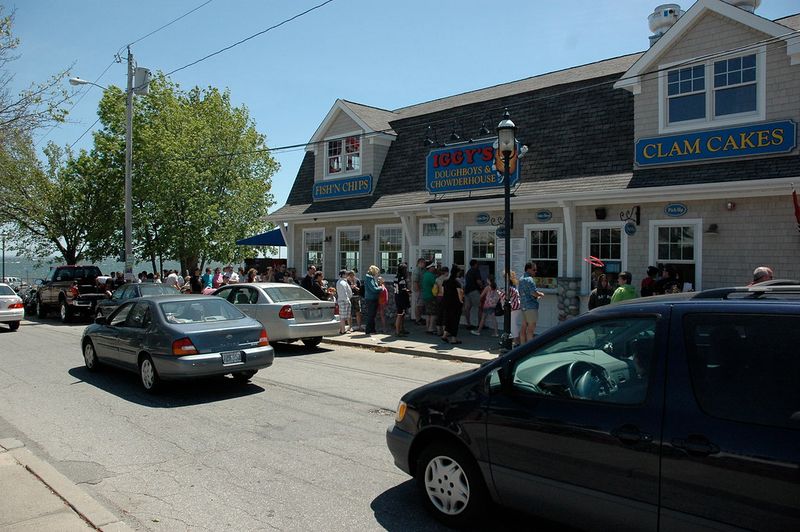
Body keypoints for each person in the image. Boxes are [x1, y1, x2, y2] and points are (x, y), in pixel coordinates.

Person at [518, 262, 544, 343]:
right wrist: (540, 294)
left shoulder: (521, 279)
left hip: (523, 307)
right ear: (528, 269)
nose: (535, 271)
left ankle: (522, 347)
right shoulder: (530, 279)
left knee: (523, 327)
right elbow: (533, 293)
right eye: (534, 270)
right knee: (531, 330)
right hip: (531, 307)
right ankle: (529, 348)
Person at [441, 264, 464, 344]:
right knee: (455, 321)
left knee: (448, 319)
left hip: (446, 303)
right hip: (455, 304)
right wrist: (461, 301)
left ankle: (444, 335)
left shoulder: (445, 281)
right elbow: (459, 294)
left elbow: (443, 292)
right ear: (457, 273)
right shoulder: (457, 282)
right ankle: (454, 338)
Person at [463, 259, 484, 330]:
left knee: (467, 308)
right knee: (480, 307)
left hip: (467, 291)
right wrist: (482, 286)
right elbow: (478, 281)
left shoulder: (468, 271)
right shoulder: (476, 271)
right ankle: (480, 324)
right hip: (474, 291)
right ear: (475, 264)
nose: (478, 265)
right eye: (477, 264)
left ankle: (468, 324)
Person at [505, 271, 522, 347]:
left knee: (513, 324)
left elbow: (505, 297)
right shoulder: (514, 287)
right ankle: (514, 340)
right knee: (513, 324)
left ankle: (516, 341)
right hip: (516, 307)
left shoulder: (510, 289)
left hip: (514, 308)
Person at [363, 265, 381, 334]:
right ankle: (368, 330)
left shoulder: (371, 278)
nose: (377, 273)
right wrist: (381, 288)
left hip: (373, 298)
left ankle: (372, 330)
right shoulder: (369, 278)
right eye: (377, 272)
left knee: (372, 315)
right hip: (371, 299)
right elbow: (374, 289)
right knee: (371, 315)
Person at [394, 263, 411, 337]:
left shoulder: (396, 277)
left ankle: (402, 329)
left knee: (402, 314)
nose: (406, 271)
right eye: (405, 269)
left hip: (397, 296)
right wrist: (408, 291)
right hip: (401, 298)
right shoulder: (401, 278)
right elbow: (403, 289)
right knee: (400, 314)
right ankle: (397, 331)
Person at [422, 262, 438, 334]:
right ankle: (431, 328)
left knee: (428, 313)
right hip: (431, 295)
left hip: (425, 295)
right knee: (433, 313)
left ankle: (427, 327)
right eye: (433, 267)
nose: (435, 268)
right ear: (430, 267)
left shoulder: (425, 274)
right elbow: (435, 284)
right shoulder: (431, 276)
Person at [435, 265, 449, 337]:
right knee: (445, 315)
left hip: (438, 297)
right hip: (445, 297)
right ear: (446, 272)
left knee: (439, 314)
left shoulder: (437, 279)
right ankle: (444, 331)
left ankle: (438, 330)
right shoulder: (448, 279)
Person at [413, 258, 427, 325]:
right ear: (419, 263)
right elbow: (415, 281)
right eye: (423, 263)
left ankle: (420, 317)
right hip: (419, 290)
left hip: (423, 289)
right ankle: (417, 319)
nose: (424, 264)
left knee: (421, 305)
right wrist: (417, 290)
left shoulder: (423, 270)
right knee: (418, 305)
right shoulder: (417, 271)